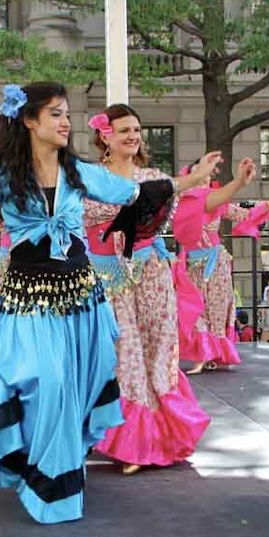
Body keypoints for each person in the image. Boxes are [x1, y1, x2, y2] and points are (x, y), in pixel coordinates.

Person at [0, 82, 176, 524]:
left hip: (81, 299)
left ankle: (62, 469)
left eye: (67, 115)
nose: (66, 123)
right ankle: (49, 481)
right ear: (29, 121)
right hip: (28, 300)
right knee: (50, 381)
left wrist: (169, 190)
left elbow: (133, 193)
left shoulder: (78, 172)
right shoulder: (4, 177)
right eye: (57, 114)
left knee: (74, 389)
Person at [83, 104, 214, 475]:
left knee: (159, 346)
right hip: (108, 276)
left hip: (151, 270)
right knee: (124, 350)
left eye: (137, 129)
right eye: (124, 129)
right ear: (105, 135)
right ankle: (131, 441)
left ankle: (160, 434)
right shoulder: (90, 178)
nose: (133, 136)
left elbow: (154, 204)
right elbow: (124, 200)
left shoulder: (153, 175)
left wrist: (196, 180)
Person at [172, 158, 269, 375]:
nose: (205, 176)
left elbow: (243, 213)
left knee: (216, 309)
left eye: (208, 173)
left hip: (215, 263)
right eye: (200, 172)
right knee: (192, 308)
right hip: (190, 265)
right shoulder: (180, 200)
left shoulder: (216, 202)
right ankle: (202, 354)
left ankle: (212, 356)